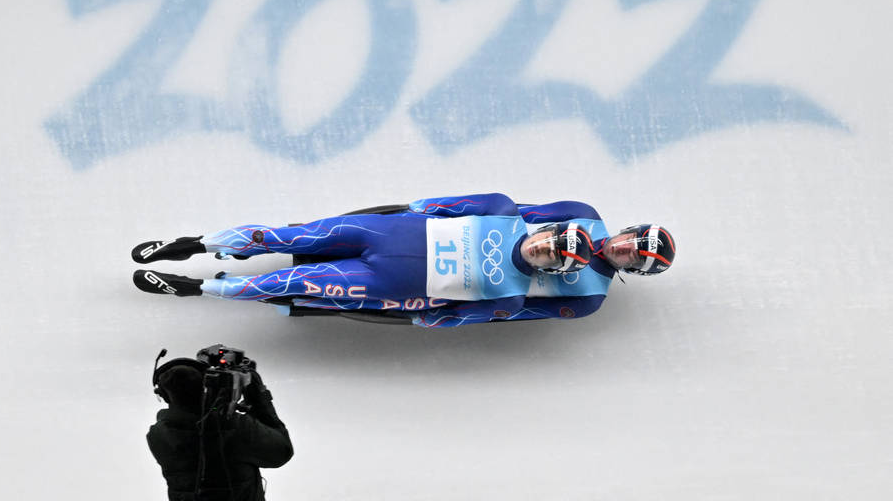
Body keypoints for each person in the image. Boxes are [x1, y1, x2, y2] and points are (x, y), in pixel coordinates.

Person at [133, 193, 675, 327]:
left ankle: (198, 288)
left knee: (290, 280)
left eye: (632, 256)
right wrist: (418, 210)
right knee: (285, 234)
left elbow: (509, 315)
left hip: (402, 280)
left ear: (630, 270)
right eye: (631, 239)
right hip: (397, 233)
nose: (623, 247)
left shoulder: (581, 297)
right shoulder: (575, 215)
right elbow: (504, 211)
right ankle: (196, 244)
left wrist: (423, 313)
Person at [147, 350, 294, 501]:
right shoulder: (234, 427)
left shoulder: (158, 435)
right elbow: (282, 451)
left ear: (164, 395)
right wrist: (258, 397)